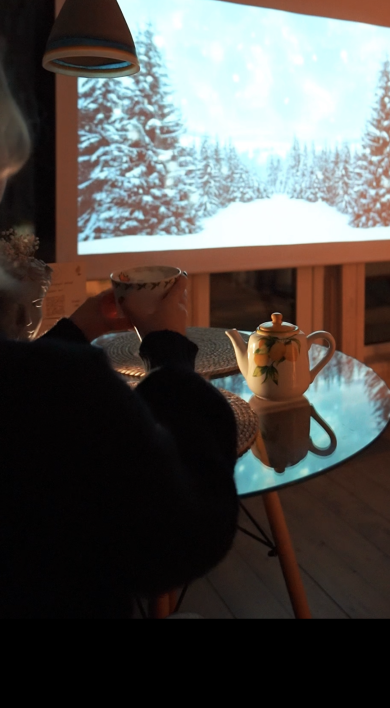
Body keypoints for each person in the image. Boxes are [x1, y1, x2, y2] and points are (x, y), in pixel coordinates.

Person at [0, 62, 238, 618]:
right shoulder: (69, 387)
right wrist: (170, 349)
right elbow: (188, 530)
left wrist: (79, 328)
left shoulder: (44, 379)